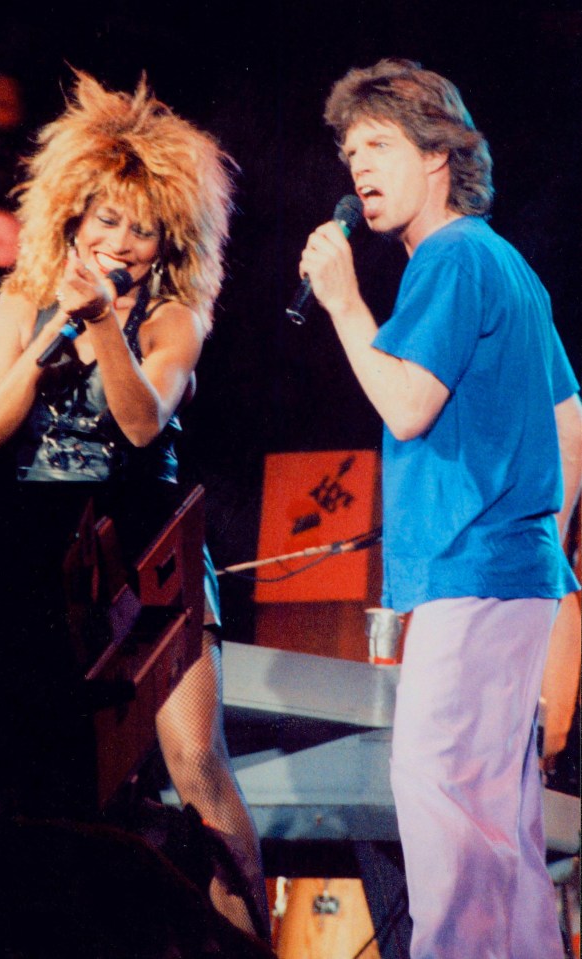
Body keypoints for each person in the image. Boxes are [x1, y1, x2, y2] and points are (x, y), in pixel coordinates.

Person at [0, 70, 269, 941]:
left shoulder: (174, 319)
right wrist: (51, 332)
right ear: (72, 215)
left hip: (152, 546)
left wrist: (101, 323)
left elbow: (139, 424)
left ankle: (250, 937)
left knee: (193, 764)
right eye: (108, 221)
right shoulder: (21, 302)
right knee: (61, 779)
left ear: (169, 237)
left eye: (142, 229)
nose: (124, 243)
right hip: (52, 551)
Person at [298, 58, 582, 958]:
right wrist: (542, 539)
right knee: (496, 816)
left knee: (434, 793)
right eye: (350, 154)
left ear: (437, 156)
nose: (359, 170)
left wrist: (346, 304)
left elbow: (407, 402)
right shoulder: (509, 268)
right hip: (514, 570)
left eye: (378, 146)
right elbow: (569, 416)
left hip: (473, 569)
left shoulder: (451, 257)